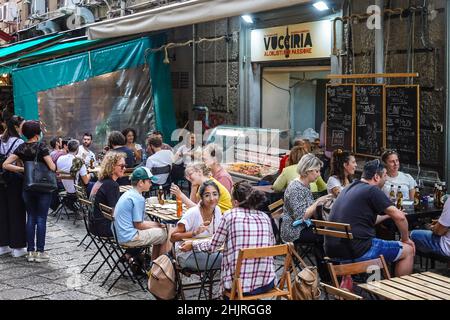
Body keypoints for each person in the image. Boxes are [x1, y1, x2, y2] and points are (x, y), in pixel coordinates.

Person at [325, 159, 416, 277]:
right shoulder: (372, 190)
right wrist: (405, 239)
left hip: (332, 250)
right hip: (357, 250)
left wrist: (388, 214)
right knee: (408, 250)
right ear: (376, 177)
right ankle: (400, 292)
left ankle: (347, 285)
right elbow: (400, 218)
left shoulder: (348, 188)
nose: (385, 179)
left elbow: (364, 219)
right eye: (384, 176)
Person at [187, 181, 276, 297]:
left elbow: (213, 246)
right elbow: (272, 245)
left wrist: (193, 244)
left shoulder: (230, 215)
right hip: (266, 283)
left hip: (239, 286)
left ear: (235, 202)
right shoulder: (264, 217)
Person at [3, 120, 56, 263]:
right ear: (37, 133)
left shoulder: (21, 147)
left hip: (27, 186)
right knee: (41, 218)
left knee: (31, 217)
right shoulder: (42, 146)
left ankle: (30, 252)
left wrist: (23, 169)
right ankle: (40, 252)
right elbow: (52, 167)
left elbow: (6, 164)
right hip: (43, 188)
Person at [280, 153, 331, 277]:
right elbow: (301, 216)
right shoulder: (296, 188)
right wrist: (319, 202)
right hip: (293, 229)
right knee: (325, 237)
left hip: (301, 226)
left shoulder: (304, 185)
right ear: (308, 171)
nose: (319, 174)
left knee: (325, 234)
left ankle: (327, 273)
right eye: (317, 171)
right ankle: (327, 274)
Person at [113, 167, 167, 260]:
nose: (151, 184)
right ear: (141, 183)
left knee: (159, 232)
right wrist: (158, 224)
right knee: (165, 234)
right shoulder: (138, 198)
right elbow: (139, 225)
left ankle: (154, 264)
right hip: (129, 237)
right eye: (149, 181)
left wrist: (157, 225)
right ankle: (159, 267)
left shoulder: (128, 193)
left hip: (119, 235)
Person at [170, 180, 223, 271]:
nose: (212, 198)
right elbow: (173, 237)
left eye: (215, 194)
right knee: (228, 260)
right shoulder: (193, 212)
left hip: (207, 250)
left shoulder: (217, 210)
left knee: (231, 257)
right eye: (207, 195)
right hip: (188, 254)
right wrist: (195, 232)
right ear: (201, 197)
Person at [0, 116, 26, 257]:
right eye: (22, 125)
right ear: (16, 127)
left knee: (2, 212)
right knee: (17, 211)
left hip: (0, 180)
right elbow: (21, 163)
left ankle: (2, 245)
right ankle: (17, 248)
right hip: (15, 180)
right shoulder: (19, 142)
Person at [88, 152, 126, 237]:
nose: (124, 168)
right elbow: (115, 213)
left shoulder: (101, 181)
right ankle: (130, 251)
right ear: (112, 167)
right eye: (122, 166)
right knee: (140, 230)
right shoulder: (112, 185)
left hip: (93, 225)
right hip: (104, 228)